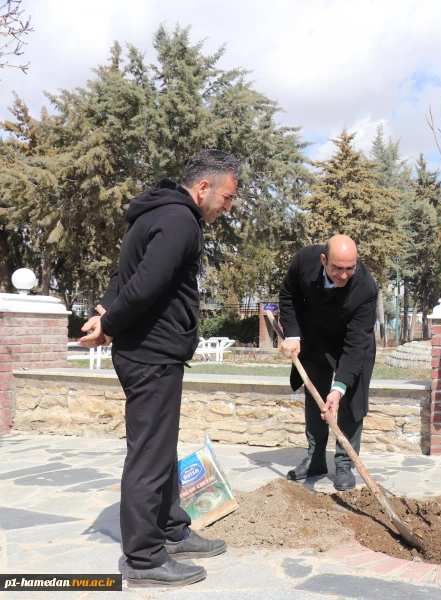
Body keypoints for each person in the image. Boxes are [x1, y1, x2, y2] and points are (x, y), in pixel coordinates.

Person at [79, 150, 239, 587]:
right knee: (149, 453)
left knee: (160, 446)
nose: (228, 207)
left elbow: (124, 275)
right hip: (151, 353)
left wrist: (104, 310)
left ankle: (170, 529)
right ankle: (144, 558)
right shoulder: (181, 221)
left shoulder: (154, 212)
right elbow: (147, 281)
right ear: (203, 187)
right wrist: (110, 323)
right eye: (226, 197)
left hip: (150, 350)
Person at [278, 235, 377, 492]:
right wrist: (292, 334)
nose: (344, 275)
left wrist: (340, 386)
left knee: (351, 399)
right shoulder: (304, 260)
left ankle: (344, 463)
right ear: (324, 260)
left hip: (350, 342)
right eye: (337, 268)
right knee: (315, 396)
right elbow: (289, 294)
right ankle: (315, 459)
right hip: (314, 338)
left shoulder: (365, 288)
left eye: (350, 268)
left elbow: (356, 344)